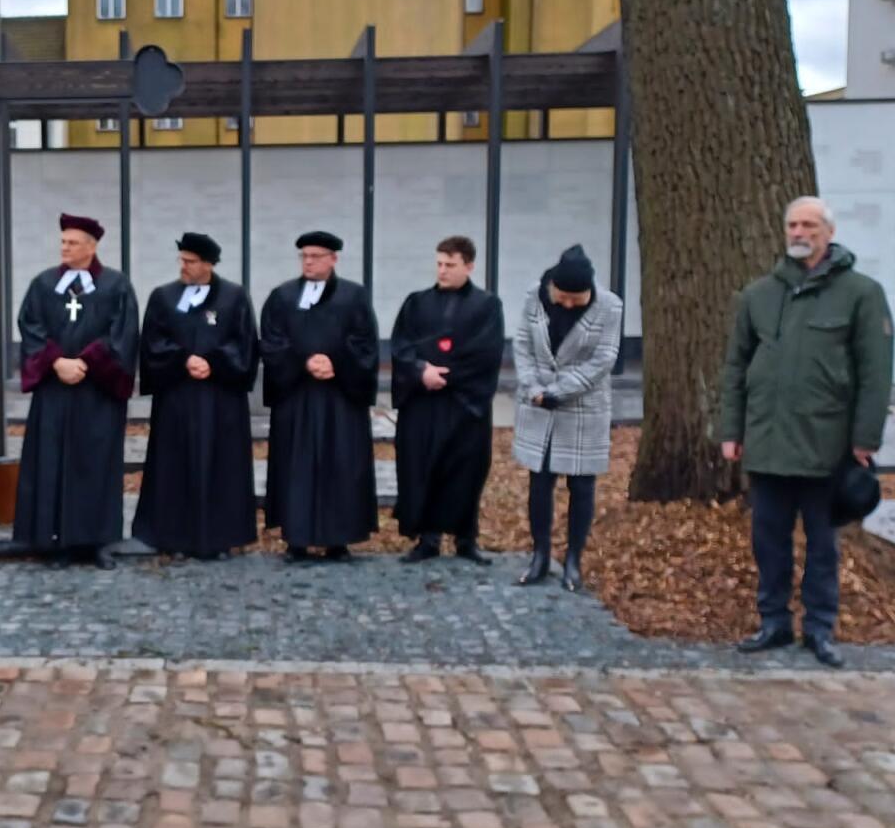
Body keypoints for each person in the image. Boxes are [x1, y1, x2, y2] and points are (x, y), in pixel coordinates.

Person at [721, 196, 894, 670]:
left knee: (822, 545)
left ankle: (819, 628)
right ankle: (773, 621)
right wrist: (731, 430)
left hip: (827, 446)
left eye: (809, 226)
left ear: (829, 233)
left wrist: (865, 438)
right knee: (768, 541)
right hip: (768, 442)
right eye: (793, 225)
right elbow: (736, 367)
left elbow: (875, 373)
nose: (799, 233)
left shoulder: (861, 294)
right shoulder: (759, 295)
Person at [13, 213, 139, 569]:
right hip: (55, 390)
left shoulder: (115, 285)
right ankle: (58, 541)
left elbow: (124, 333)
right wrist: (56, 361)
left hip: (97, 392)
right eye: (63, 242)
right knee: (52, 462)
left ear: (91, 247)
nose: (64, 248)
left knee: (96, 464)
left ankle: (97, 542)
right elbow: (30, 325)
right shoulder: (44, 284)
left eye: (72, 243)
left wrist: (85, 362)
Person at [134, 232, 259, 559]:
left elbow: (244, 343)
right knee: (174, 466)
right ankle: (172, 538)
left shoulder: (234, 297)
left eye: (190, 261)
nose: (183, 266)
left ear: (208, 264)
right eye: (182, 260)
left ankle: (220, 539)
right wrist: (183, 360)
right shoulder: (163, 296)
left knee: (222, 466)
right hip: (177, 398)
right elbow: (153, 342)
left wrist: (213, 362)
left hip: (221, 400)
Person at [260, 231, 380, 563]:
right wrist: (303, 361)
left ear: (333, 259)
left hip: (339, 399)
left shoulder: (353, 297)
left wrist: (336, 362)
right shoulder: (283, 296)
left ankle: (338, 540)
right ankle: (295, 539)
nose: (308, 262)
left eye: (316, 256)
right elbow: (271, 340)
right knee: (295, 467)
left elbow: (365, 342)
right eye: (304, 256)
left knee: (341, 465)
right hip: (297, 397)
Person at [512, 245, 623, 593]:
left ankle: (574, 559)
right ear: (553, 287)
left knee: (582, 486)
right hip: (538, 404)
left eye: (578, 299)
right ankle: (540, 555)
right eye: (563, 297)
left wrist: (560, 390)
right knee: (540, 482)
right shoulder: (534, 296)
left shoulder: (610, 306)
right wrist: (533, 387)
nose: (570, 304)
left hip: (582, 407)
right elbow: (522, 345)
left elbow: (603, 359)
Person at [391, 235, 505, 565]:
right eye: (439, 263)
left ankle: (465, 539)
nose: (442, 270)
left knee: (465, 472)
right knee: (422, 468)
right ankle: (427, 538)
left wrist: (446, 376)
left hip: (464, 406)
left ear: (469, 266)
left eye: (450, 265)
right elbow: (401, 345)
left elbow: (486, 353)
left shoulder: (487, 306)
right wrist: (420, 371)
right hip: (423, 404)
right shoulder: (416, 303)